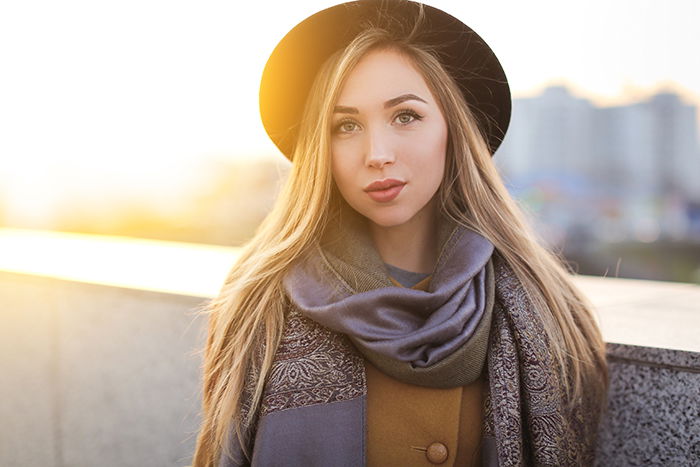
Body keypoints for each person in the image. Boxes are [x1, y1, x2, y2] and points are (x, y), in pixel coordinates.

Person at [192, 1, 608, 466]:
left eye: (406, 116)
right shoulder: (260, 301)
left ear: (453, 127)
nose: (377, 153)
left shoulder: (546, 306)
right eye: (345, 126)